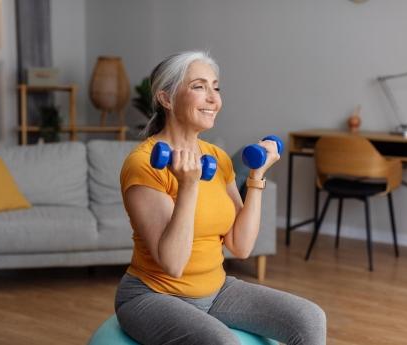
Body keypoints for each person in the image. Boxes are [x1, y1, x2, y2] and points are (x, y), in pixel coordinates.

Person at [115, 51, 326, 345]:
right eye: (199, 87)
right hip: (153, 295)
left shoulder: (217, 158)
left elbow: (241, 246)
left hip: (216, 291)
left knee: (309, 318)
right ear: (166, 98)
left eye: (216, 87)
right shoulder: (145, 165)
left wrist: (256, 176)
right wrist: (188, 187)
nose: (214, 98)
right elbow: (173, 264)